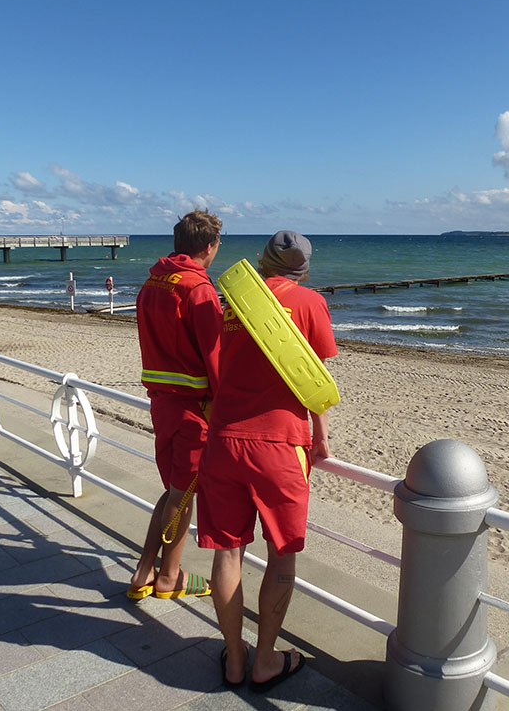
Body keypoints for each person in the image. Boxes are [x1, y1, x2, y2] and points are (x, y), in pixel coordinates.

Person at [198, 230, 337, 691]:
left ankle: (234, 659)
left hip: (224, 439)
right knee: (281, 555)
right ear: (304, 268)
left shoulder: (237, 300)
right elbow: (312, 378)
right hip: (280, 443)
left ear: (262, 261)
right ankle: (265, 661)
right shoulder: (311, 303)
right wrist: (320, 436)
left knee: (228, 550)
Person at [126, 209, 223, 602]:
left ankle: (143, 571)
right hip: (193, 406)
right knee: (183, 495)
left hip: (161, 402)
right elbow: (214, 355)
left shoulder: (153, 282)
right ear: (209, 247)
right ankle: (169, 577)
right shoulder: (197, 289)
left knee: (172, 491)